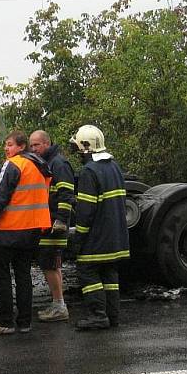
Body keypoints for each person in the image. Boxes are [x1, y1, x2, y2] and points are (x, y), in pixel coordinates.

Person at [0, 131, 51, 335]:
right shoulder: (40, 166)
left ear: (21, 146)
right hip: (31, 231)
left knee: (1, 276)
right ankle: (25, 322)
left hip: (8, 231)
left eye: (9, 145)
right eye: (5, 145)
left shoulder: (13, 164)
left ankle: (5, 321)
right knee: (23, 275)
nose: (6, 149)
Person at [70, 124, 129, 330]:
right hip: (116, 236)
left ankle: (97, 315)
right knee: (109, 273)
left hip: (97, 237)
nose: (77, 152)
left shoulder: (89, 171)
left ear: (86, 147)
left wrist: (79, 238)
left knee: (87, 271)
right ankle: (113, 316)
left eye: (78, 147)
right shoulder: (114, 166)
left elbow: (86, 211)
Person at [28, 130, 75, 322]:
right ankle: (57, 303)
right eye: (31, 146)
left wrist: (61, 220)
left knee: (50, 264)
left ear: (47, 143)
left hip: (55, 223)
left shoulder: (58, 163)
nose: (33, 149)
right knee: (49, 264)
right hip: (46, 222)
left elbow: (66, 193)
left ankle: (59, 306)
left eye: (36, 145)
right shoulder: (45, 163)